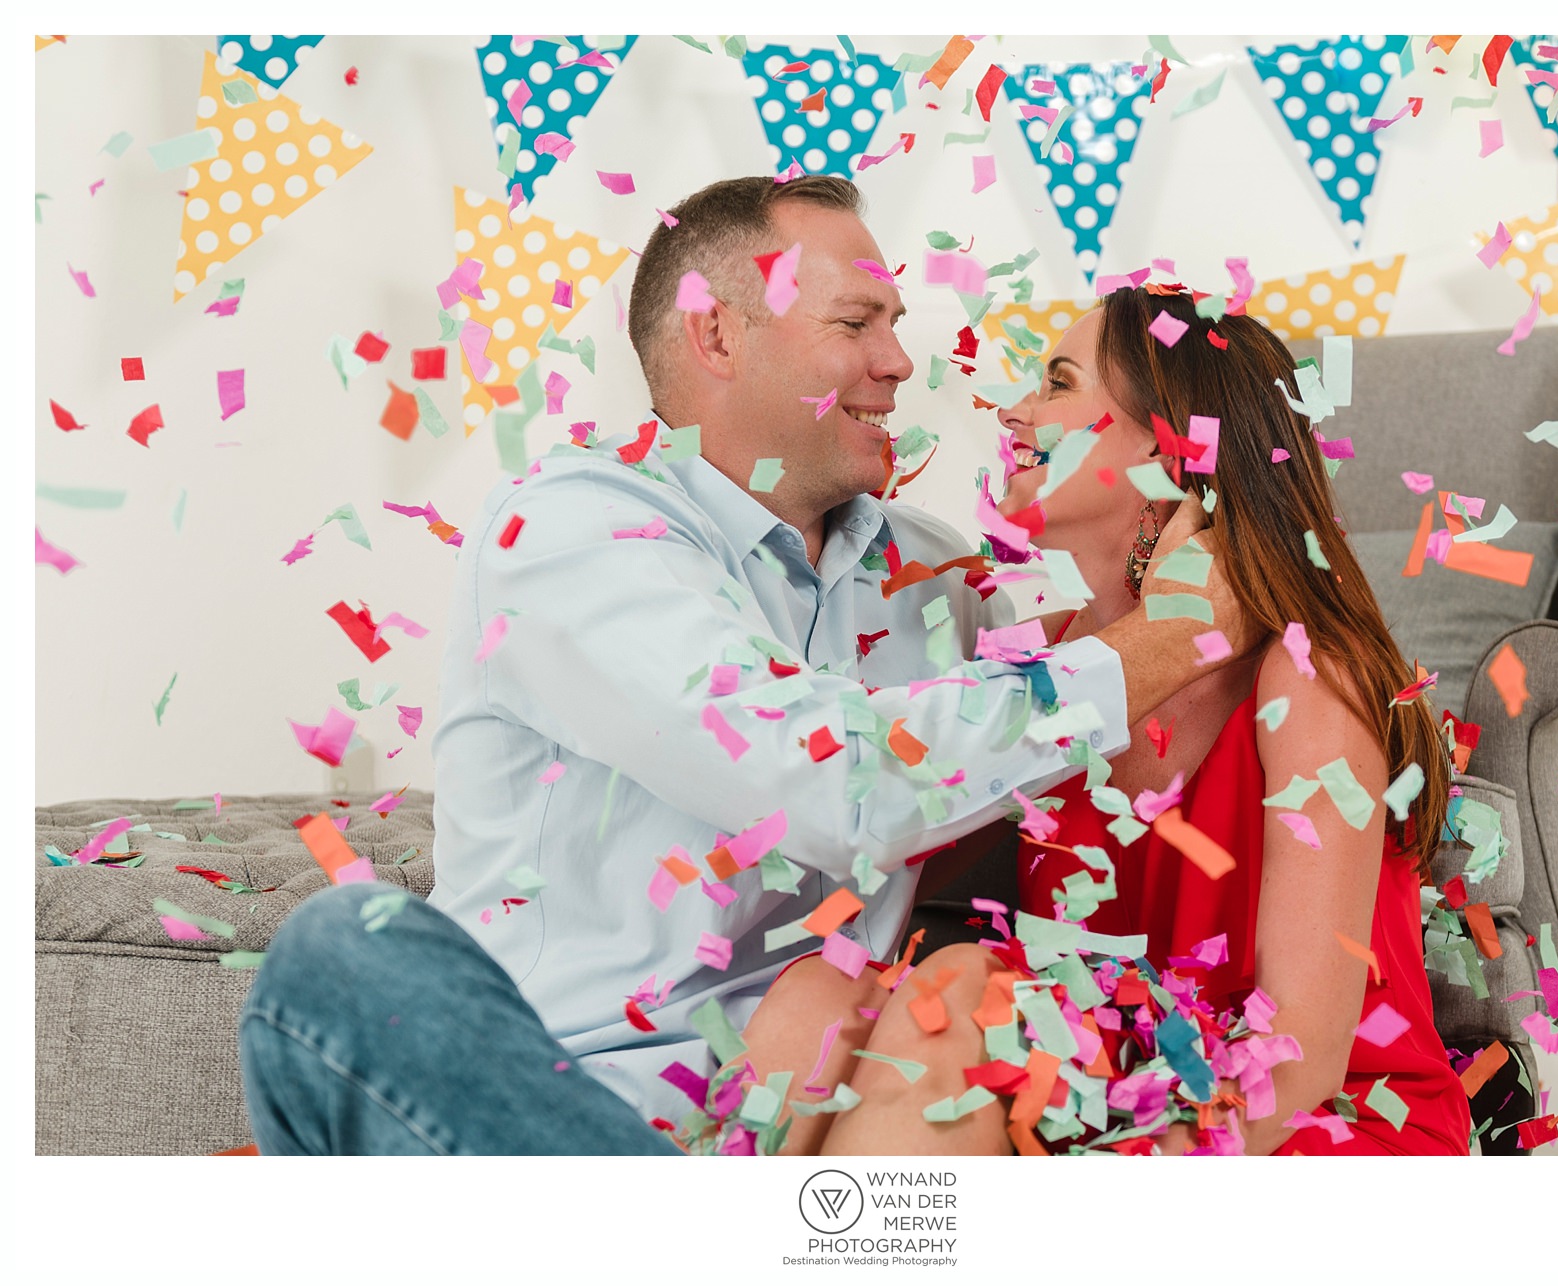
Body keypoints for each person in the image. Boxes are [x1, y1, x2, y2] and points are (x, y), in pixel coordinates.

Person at [238, 176, 1253, 1154]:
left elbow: (1097, 731)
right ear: (716, 332)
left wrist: (1211, 561)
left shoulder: (934, 574)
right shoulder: (570, 535)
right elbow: (840, 784)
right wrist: (1167, 636)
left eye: (895, 322)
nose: (900, 361)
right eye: (856, 324)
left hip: (792, 1118)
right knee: (343, 947)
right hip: (546, 1121)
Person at [748, 285, 1470, 1156]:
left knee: (964, 995)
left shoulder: (1307, 680)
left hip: (1300, 1127)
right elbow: (897, 831)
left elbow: (1301, 1067)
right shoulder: (1047, 657)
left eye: (1057, 382)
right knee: (811, 1006)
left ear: (1167, 447)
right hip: (1116, 1079)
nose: (1014, 411)